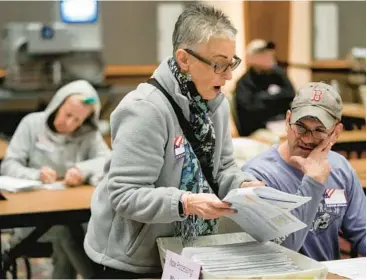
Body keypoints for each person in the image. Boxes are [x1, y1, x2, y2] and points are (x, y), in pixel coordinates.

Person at [84, 4, 261, 279]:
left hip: (186, 251)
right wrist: (186, 203)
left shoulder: (218, 105)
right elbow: (124, 195)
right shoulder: (145, 109)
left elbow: (223, 168)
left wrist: (244, 185)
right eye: (218, 64)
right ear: (184, 59)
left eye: (232, 62)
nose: (228, 75)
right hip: (132, 261)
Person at [242, 82, 366, 261]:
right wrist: (313, 181)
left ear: (336, 132)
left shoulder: (340, 168)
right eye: (300, 127)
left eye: (319, 130)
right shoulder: (258, 175)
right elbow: (283, 248)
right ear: (287, 120)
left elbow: (361, 230)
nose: (307, 138)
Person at [1, 80, 111, 278]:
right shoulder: (32, 124)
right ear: (57, 104)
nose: (69, 124)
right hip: (32, 215)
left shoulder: (88, 133)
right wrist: (36, 174)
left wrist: (82, 169)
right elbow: (8, 165)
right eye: (67, 115)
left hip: (71, 212)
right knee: (66, 231)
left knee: (75, 230)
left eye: (77, 120)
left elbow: (108, 160)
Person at [235, 39, 295, 136]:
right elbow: (251, 111)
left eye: (269, 53)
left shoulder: (277, 74)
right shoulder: (244, 83)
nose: (269, 55)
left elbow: (291, 94)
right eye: (263, 53)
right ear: (252, 58)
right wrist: (276, 98)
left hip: (281, 122)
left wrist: (263, 98)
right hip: (258, 129)